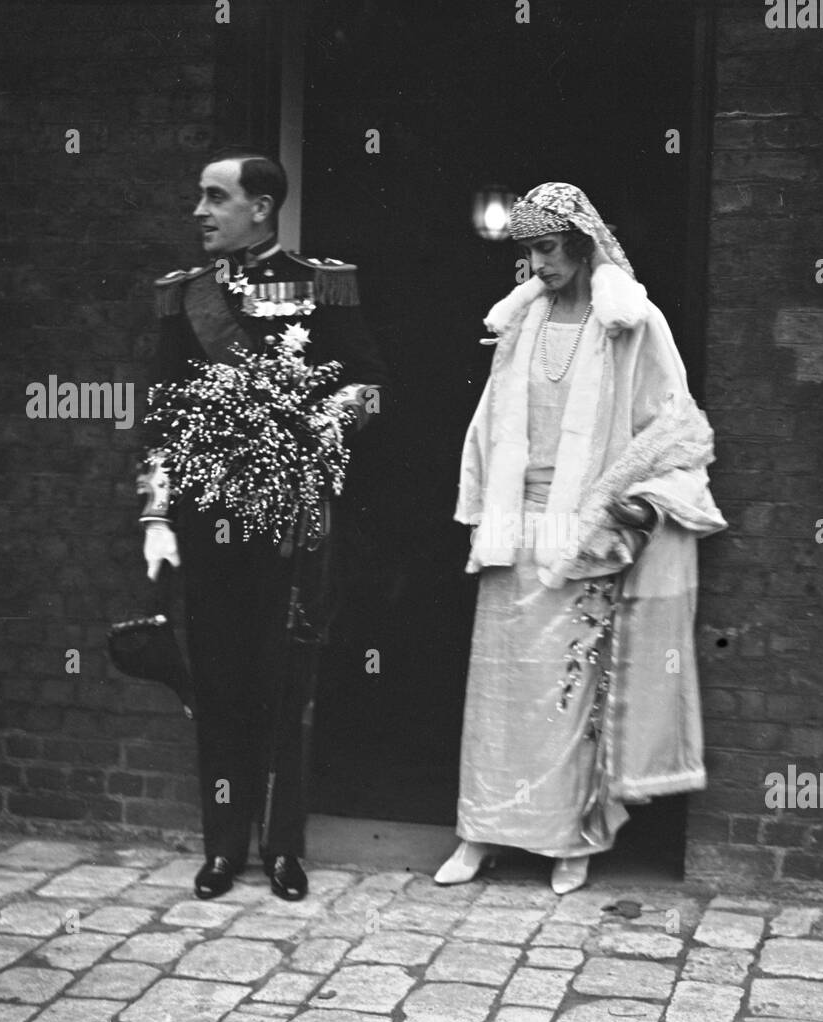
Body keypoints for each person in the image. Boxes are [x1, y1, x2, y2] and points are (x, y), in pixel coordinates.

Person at [440, 182, 726, 895]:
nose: (538, 265)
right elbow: (488, 424)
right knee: (501, 697)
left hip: (584, 533)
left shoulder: (631, 321)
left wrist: (635, 505)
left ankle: (571, 839)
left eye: (547, 248)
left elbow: (676, 426)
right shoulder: (521, 323)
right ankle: (479, 834)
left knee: (566, 701)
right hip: (515, 525)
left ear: (581, 243)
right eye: (528, 251)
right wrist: (479, 506)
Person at [137, 147, 391, 900]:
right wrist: (157, 513)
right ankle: (222, 847)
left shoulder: (322, 288)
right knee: (217, 679)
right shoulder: (185, 299)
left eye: (216, 198)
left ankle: (283, 847)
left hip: (294, 516)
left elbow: (373, 387)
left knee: (287, 676)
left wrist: (324, 423)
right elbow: (160, 416)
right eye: (199, 197)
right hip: (208, 517)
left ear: (261, 206)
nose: (199, 212)